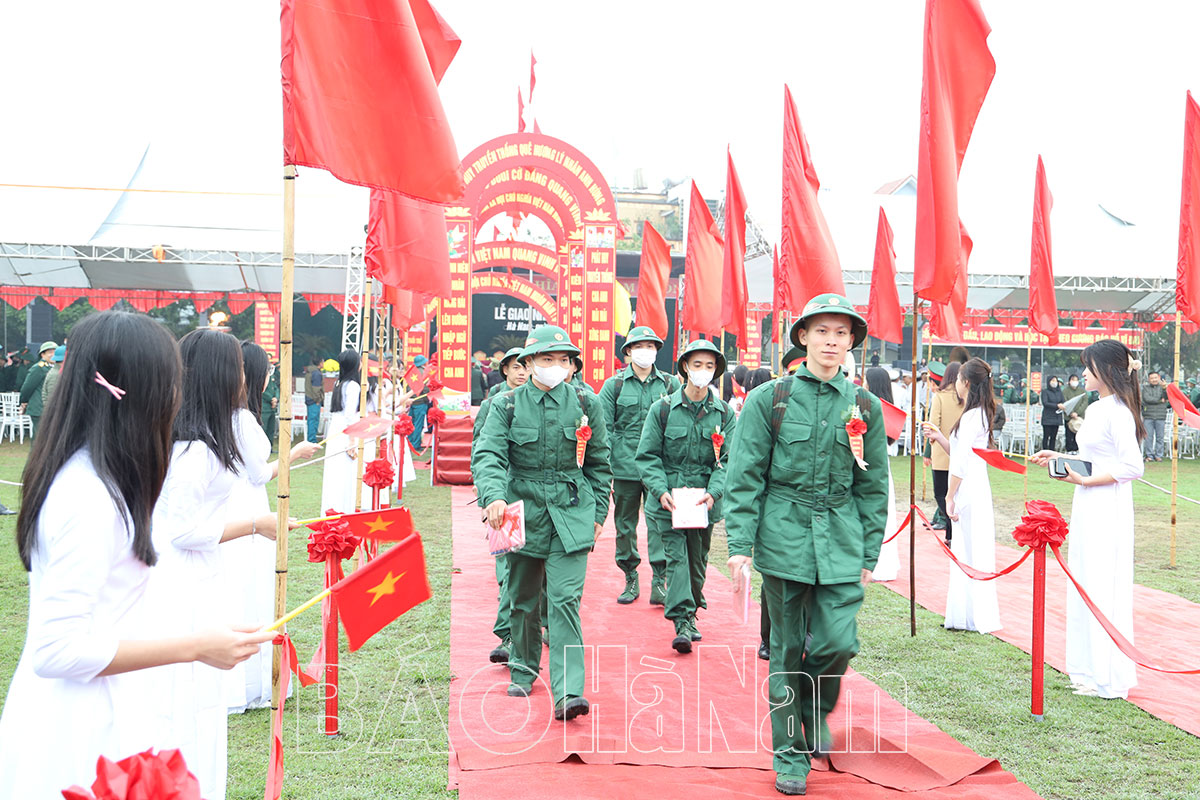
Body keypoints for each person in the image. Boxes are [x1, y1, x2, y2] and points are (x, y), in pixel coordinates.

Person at [0, 313, 274, 800]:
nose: (177, 397)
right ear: (137, 391)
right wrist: (193, 647)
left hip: (107, 703)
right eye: (171, 382)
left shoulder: (97, 479)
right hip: (79, 725)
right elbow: (56, 650)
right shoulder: (89, 498)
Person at [725, 294, 888, 796]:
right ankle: (790, 755)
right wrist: (740, 545)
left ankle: (814, 712)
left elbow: (874, 485)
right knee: (787, 651)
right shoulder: (769, 400)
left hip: (840, 536)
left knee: (840, 640)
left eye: (842, 333)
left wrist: (868, 552)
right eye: (822, 331)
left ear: (852, 342)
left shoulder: (864, 405)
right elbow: (745, 475)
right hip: (783, 535)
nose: (832, 341)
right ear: (803, 338)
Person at [143, 329, 295, 800]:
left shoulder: (201, 439)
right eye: (240, 368)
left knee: (199, 701)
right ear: (221, 376)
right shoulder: (194, 451)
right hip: (181, 580)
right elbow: (182, 532)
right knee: (188, 699)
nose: (246, 378)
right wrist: (255, 524)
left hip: (197, 574)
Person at [473, 325, 613, 721]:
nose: (556, 366)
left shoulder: (588, 403)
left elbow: (601, 464)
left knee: (565, 601)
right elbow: (489, 454)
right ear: (529, 362)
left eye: (563, 360)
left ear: (572, 365)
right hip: (518, 510)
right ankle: (522, 666)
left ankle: (568, 692)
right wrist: (494, 496)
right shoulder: (507, 405)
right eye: (547, 359)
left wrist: (599, 514)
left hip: (571, 512)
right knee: (521, 598)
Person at [1032, 341, 1144, 699]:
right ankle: (1087, 668)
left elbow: (1132, 466)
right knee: (1084, 579)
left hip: (1107, 504)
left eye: (1088, 366)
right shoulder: (1096, 408)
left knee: (1102, 582)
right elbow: (1091, 456)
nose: (1082, 373)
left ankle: (1108, 675)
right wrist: (1060, 456)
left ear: (1107, 371)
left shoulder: (1120, 412)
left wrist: (1085, 479)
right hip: (1087, 502)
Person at [224, 342, 319, 713]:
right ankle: (251, 680)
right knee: (249, 584)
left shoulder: (232, 415)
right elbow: (258, 474)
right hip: (248, 507)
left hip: (242, 505)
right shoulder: (241, 419)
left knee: (246, 584)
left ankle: (252, 677)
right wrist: (292, 454)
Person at [635, 339, 734, 651]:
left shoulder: (725, 414)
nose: (702, 372)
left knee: (697, 561)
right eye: (697, 365)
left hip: (704, 502)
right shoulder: (662, 410)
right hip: (670, 501)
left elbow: (729, 460)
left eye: (709, 366)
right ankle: (682, 621)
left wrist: (715, 492)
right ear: (685, 369)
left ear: (716, 371)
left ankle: (691, 611)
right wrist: (660, 490)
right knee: (677, 557)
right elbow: (647, 456)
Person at [598, 326, 679, 605]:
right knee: (624, 525)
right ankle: (630, 577)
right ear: (629, 351)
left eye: (651, 346)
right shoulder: (614, 385)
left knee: (660, 523)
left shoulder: (670, 384)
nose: (646, 351)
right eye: (640, 346)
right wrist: (604, 467)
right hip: (624, 466)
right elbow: (603, 428)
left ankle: (660, 580)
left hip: (659, 467)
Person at [922, 358, 1001, 634]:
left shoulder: (972, 416)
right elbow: (960, 453)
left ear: (966, 383)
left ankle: (971, 615)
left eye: (957, 379)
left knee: (969, 548)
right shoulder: (977, 414)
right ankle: (966, 614)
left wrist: (949, 496)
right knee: (968, 547)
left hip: (968, 485)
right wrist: (940, 437)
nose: (955, 383)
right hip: (974, 482)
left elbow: (961, 463)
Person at [472, 346, 529, 665]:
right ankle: (508, 635)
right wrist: (487, 497)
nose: (521, 371)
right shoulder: (494, 404)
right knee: (508, 568)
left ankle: (541, 623)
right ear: (504, 371)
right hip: (503, 499)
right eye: (515, 366)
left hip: (541, 499)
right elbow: (480, 451)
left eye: (526, 366)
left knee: (540, 570)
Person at [321, 349, 379, 514]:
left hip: (337, 429)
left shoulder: (339, 383)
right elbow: (350, 416)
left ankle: (335, 507)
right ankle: (343, 508)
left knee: (336, 471)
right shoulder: (353, 386)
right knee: (345, 472)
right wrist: (352, 441)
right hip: (346, 432)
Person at [863, 366, 901, 582]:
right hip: (876, 461)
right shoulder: (872, 406)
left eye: (866, 381)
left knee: (879, 512)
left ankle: (879, 563)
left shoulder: (878, 409)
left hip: (875, 462)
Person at [924, 362, 963, 541]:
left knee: (941, 494)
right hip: (960, 453)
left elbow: (933, 425)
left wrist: (930, 442)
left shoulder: (939, 397)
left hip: (941, 452)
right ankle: (952, 534)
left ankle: (950, 530)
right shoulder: (966, 398)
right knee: (956, 496)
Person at [19, 340, 56, 437]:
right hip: (39, 408)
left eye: (55, 352)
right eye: (50, 352)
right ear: (42, 354)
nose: (53, 354)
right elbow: (27, 388)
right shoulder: (38, 368)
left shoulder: (55, 367)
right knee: (39, 438)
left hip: (50, 408)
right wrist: (23, 401)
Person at [1141, 370, 1168, 462]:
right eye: (1151, 378)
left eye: (1155, 378)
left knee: (1160, 437)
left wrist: (1165, 389)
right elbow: (1147, 399)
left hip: (1161, 416)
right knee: (1148, 437)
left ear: (1159, 378)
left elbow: (1167, 398)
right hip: (1148, 415)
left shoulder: (1163, 388)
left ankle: (1159, 455)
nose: (1154, 380)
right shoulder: (1145, 388)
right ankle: (1149, 455)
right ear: (1148, 379)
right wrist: (1160, 400)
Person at [1062, 373, 1089, 454]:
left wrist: (1077, 413)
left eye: (1076, 380)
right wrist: (1071, 413)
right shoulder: (1065, 391)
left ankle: (1077, 450)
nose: (1074, 382)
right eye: (1073, 380)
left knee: (1079, 434)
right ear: (1069, 381)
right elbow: (1065, 402)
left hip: (1079, 418)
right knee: (1069, 434)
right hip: (1069, 417)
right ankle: (1069, 450)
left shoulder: (1082, 391)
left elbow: (1085, 402)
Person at [408, 354, 430, 450]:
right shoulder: (424, 373)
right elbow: (425, 388)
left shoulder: (412, 372)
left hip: (412, 401)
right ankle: (416, 445)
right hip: (421, 401)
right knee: (418, 424)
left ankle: (409, 442)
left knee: (411, 423)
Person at [304, 354, 325, 443]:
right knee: (314, 420)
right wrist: (318, 400)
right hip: (314, 400)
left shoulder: (310, 371)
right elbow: (316, 388)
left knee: (311, 420)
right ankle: (312, 440)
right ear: (320, 363)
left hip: (309, 398)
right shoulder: (316, 373)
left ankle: (311, 439)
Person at [1041, 375, 1065, 452]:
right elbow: (1045, 403)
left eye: (1056, 381)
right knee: (1046, 436)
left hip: (1056, 417)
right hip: (1047, 417)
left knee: (1053, 437)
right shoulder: (1045, 392)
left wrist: (1062, 405)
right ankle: (1044, 451)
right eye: (1053, 380)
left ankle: (1052, 451)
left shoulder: (1059, 392)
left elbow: (1062, 401)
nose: (1054, 382)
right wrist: (1056, 405)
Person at [260, 362, 280, 448]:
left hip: (272, 408)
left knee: (271, 429)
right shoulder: (261, 377)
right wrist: (271, 399)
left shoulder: (272, 377)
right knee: (263, 429)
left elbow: (276, 388)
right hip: (265, 407)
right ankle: (263, 447)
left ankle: (270, 447)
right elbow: (262, 391)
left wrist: (276, 398)